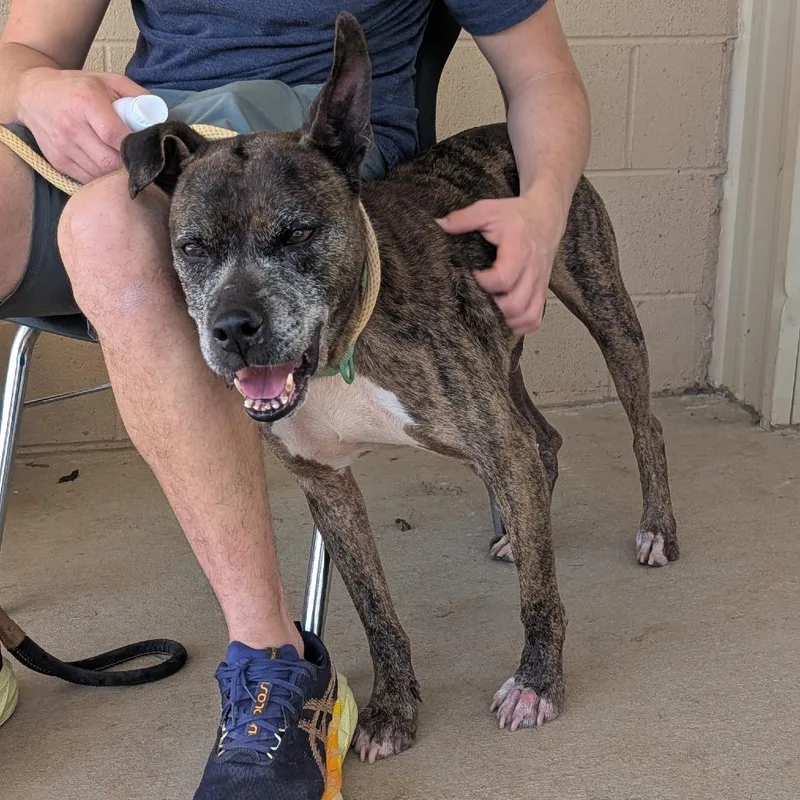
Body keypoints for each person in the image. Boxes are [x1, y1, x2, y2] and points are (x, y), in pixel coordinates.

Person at [0, 0, 590, 796]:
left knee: (107, 230)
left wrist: (546, 206)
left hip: (298, 138)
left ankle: (273, 665)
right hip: (153, 145)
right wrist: (36, 89)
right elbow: (25, 48)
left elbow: (541, 71)